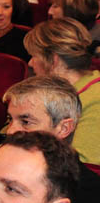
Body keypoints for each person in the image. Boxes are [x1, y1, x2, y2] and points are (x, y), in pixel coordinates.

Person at [25, 18, 100, 163]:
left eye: (34, 56)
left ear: (53, 60)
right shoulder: (47, 92)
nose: (30, 63)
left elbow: (83, 167)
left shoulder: (95, 99)